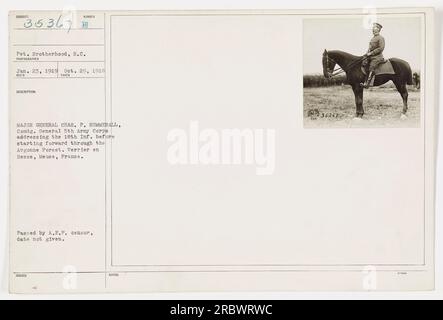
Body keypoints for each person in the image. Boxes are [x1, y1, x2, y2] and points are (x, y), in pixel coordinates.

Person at [360, 22, 385, 88]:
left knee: (371, 66)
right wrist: (366, 54)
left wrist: (371, 53)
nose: (373, 29)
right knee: (363, 63)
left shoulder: (381, 38)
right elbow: (369, 48)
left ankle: (368, 83)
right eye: (373, 28)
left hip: (377, 57)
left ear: (378, 29)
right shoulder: (373, 38)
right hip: (370, 56)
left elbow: (381, 48)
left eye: (375, 28)